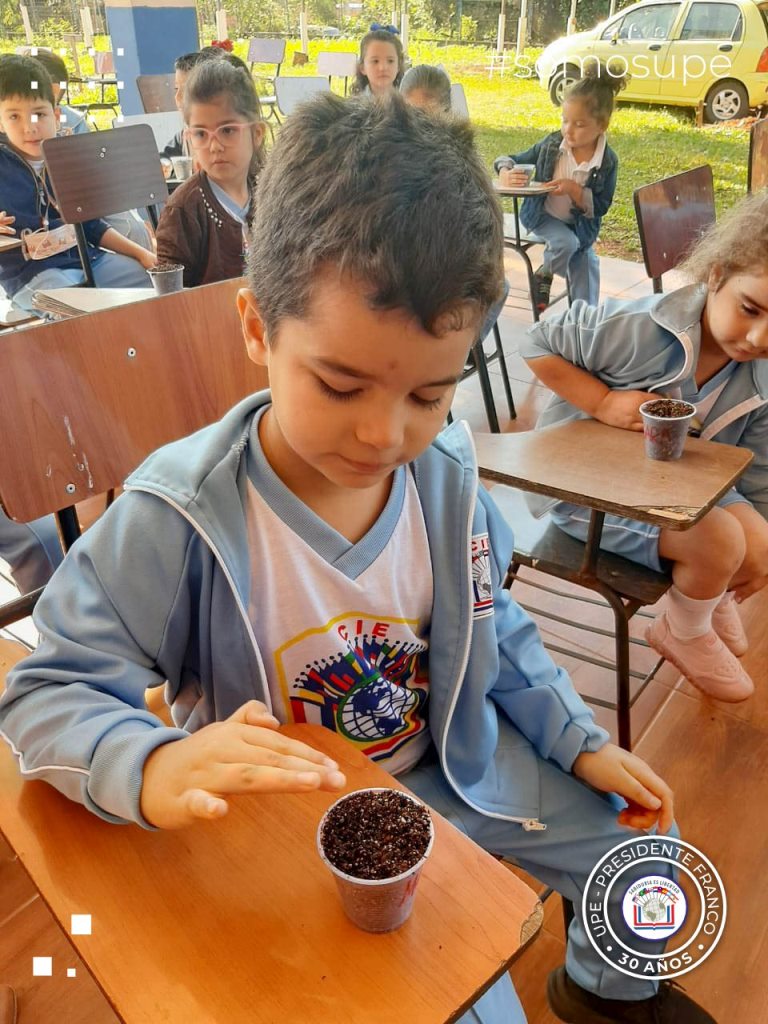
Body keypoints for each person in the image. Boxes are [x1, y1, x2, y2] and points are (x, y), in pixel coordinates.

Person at [0, 94, 716, 1024]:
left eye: (431, 392)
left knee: (643, 853)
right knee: (455, 998)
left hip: (455, 766)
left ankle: (600, 995)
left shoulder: (447, 474)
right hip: (297, 826)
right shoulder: (177, 517)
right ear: (258, 329)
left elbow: (502, 626)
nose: (385, 434)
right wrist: (147, 763)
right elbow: (46, 693)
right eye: (339, 384)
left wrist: (576, 741)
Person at [519, 190, 768, 705]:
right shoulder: (635, 329)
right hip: (589, 491)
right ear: (717, 275)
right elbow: (537, 341)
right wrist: (604, 399)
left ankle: (702, 593)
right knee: (721, 540)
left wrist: (756, 545)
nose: (759, 337)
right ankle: (684, 626)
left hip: (681, 484)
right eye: (751, 309)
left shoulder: (763, 377)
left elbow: (755, 468)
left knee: (757, 542)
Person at [0, 56, 155, 314]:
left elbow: (91, 225)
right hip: (32, 276)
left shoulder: (66, 158)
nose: (29, 127)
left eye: (39, 114)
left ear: (57, 115)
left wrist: (141, 255)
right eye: (14, 117)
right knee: (73, 314)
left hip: (88, 261)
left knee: (152, 286)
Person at [494, 62, 626, 310]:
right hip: (543, 217)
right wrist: (504, 170)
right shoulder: (552, 145)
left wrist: (574, 190)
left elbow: (601, 206)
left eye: (579, 124)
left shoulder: (607, 162)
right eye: (565, 121)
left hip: (580, 229)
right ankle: (544, 276)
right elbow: (511, 158)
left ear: (602, 125)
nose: (568, 130)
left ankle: (583, 321)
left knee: (586, 266)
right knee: (566, 244)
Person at [155, 59, 265, 287]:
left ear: (257, 133)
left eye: (227, 131)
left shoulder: (270, 193)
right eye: (201, 134)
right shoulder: (183, 211)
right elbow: (170, 301)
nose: (215, 146)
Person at [28, 49, 151, 248]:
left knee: (134, 229)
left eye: (55, 100)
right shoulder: (16, 129)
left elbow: (95, 168)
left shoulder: (73, 121)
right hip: (43, 212)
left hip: (89, 198)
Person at [351, 25, 404, 97]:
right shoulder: (352, 106)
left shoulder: (408, 103)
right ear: (362, 68)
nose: (383, 68)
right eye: (375, 61)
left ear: (399, 65)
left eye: (390, 61)